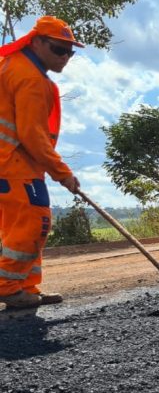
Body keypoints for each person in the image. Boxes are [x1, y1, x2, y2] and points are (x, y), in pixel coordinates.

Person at [0, 16, 82, 309]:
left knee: (21, 227)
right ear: (36, 42)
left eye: (70, 52)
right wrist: (63, 173)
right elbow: (32, 135)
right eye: (58, 49)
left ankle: (26, 288)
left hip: (14, 166)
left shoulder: (12, 66)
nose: (65, 57)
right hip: (14, 165)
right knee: (34, 225)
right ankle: (9, 288)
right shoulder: (29, 78)